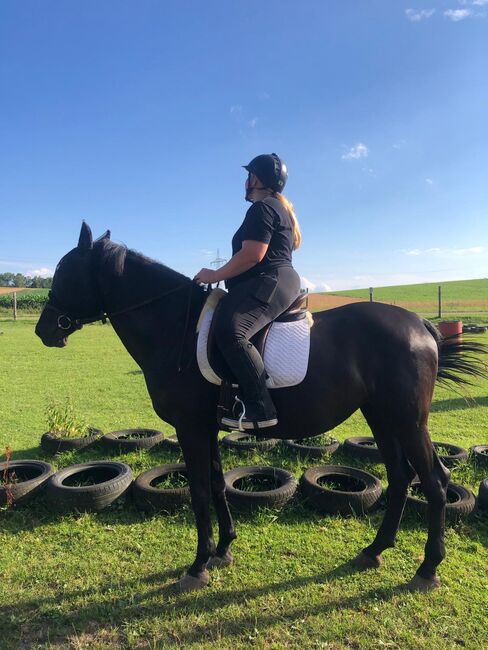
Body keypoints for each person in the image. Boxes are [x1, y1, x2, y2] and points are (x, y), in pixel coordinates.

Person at [193, 153, 302, 430]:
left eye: (248, 175)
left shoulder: (263, 208)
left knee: (231, 331)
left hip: (270, 280)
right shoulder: (277, 207)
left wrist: (214, 275)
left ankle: (260, 407)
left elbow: (253, 254)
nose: (245, 181)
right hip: (274, 280)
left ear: (256, 178)